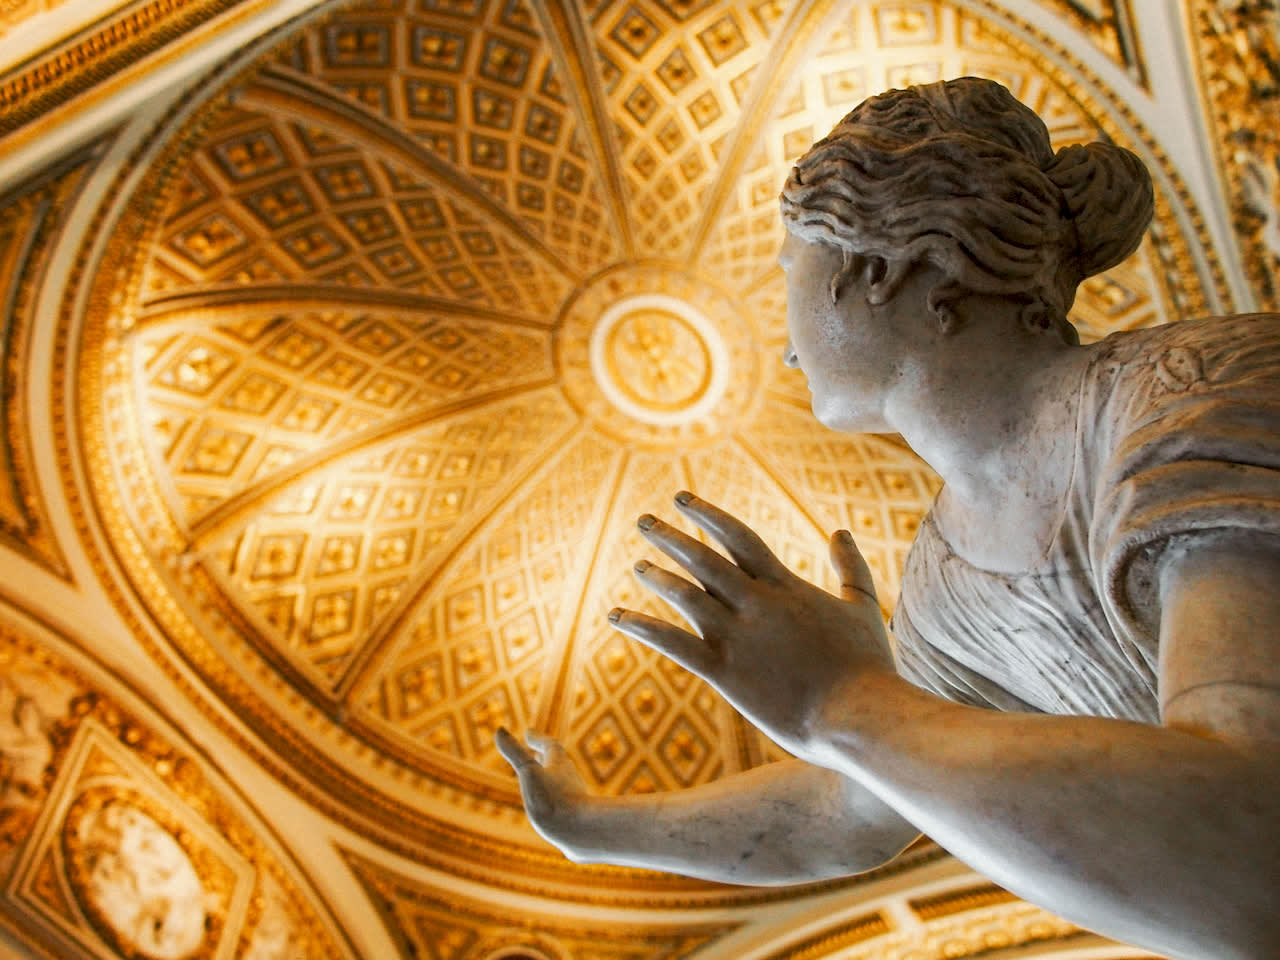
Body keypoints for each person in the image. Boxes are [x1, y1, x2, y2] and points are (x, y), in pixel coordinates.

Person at [497, 78, 1280, 960]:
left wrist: (845, 700)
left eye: (789, 272)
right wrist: (592, 826)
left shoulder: (1194, 394)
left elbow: (1257, 851)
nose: (785, 347)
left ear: (886, 267)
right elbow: (846, 812)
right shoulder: (945, 588)